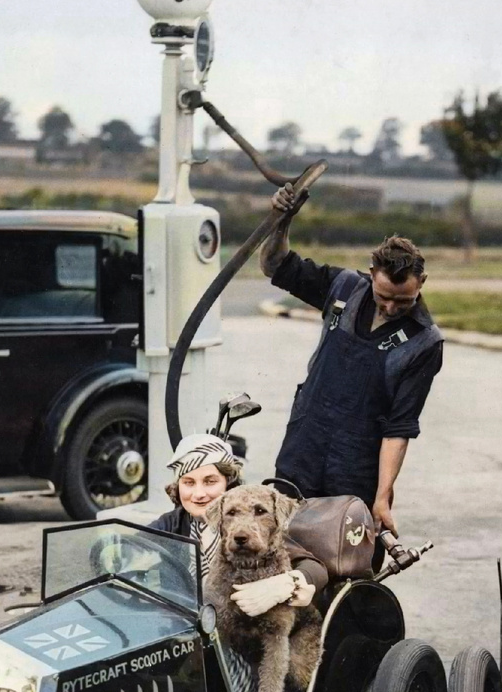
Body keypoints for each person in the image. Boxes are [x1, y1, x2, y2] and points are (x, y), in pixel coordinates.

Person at [260, 184, 444, 536]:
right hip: (303, 449)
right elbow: (275, 265)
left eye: (403, 301)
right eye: (383, 296)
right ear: (371, 273)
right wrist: (282, 220)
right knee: (282, 553)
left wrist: (382, 497)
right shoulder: (342, 287)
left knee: (345, 563)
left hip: (355, 470)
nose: (391, 308)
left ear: (421, 282)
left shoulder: (425, 342)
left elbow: (399, 429)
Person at [148, 434, 328, 615]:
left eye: (210, 481)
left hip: (239, 631)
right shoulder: (172, 523)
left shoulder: (250, 523)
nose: (199, 493)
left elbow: (315, 568)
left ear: (229, 483)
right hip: (181, 627)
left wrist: (287, 584)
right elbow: (130, 543)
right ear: (178, 487)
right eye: (188, 482)